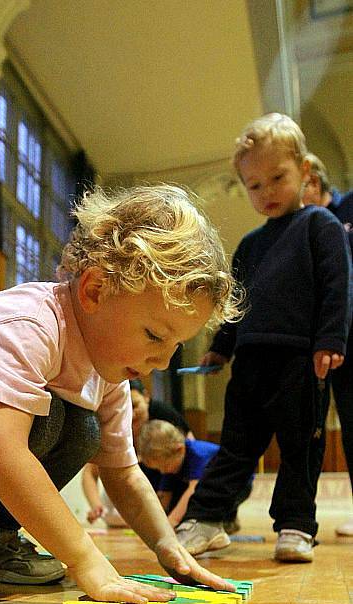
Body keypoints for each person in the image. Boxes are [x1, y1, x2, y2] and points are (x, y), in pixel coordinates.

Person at [0, 184, 241, 601]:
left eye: (174, 346)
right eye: (153, 335)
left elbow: (123, 473)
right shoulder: (34, 325)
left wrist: (168, 546)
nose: (163, 361)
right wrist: (85, 559)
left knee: (83, 429)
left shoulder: (108, 374)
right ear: (95, 290)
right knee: (44, 416)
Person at [175, 113, 352, 563]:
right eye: (255, 185)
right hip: (251, 361)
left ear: (305, 172)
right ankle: (207, 517)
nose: (267, 192)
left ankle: (295, 527)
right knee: (236, 445)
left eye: (278, 178)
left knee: (300, 447)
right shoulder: (251, 244)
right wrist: (221, 346)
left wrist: (331, 339)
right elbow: (237, 303)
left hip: (301, 360)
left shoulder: (321, 226)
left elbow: (338, 284)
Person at [303, 153, 353, 537]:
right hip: (333, 343)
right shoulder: (301, 228)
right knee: (348, 426)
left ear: (313, 183)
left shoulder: (347, 209)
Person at [83, 379, 192, 526]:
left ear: (146, 397)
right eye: (125, 407)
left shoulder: (165, 415)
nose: (131, 414)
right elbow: (90, 471)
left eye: (134, 406)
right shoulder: (112, 421)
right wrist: (97, 506)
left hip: (166, 494)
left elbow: (190, 453)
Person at [138, 420, 251, 529]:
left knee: (198, 505)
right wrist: (154, 523)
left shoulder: (198, 454)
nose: (163, 472)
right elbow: (164, 495)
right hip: (210, 485)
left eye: (165, 466)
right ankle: (225, 519)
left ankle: (226, 518)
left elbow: (193, 490)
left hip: (238, 484)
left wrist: (172, 521)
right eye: (159, 469)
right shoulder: (172, 462)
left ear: (179, 450)